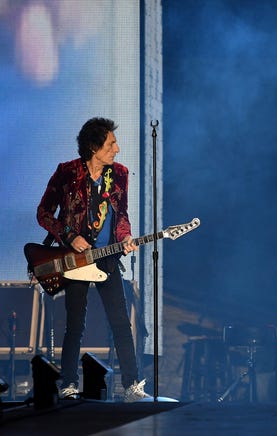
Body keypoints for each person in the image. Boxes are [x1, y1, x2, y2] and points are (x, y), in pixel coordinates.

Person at [36, 117, 152, 403]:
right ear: (93, 147)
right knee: (75, 323)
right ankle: (69, 384)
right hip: (75, 260)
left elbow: (121, 214)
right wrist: (69, 235)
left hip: (107, 258)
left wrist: (125, 237)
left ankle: (131, 386)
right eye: (111, 143)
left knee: (121, 323)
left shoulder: (119, 174)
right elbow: (44, 212)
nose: (117, 148)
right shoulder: (67, 172)